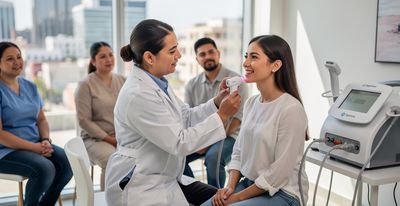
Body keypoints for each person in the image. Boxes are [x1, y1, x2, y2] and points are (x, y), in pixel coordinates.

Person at [105, 19, 241, 206]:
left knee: (223, 201)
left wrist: (217, 103)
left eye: (177, 48)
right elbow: (180, 142)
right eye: (171, 51)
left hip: (165, 178)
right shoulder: (138, 94)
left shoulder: (157, 82)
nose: (179, 55)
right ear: (149, 58)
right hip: (142, 186)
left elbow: (185, 117)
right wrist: (222, 116)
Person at [202, 35, 309, 206]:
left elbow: (279, 174)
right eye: (246, 56)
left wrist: (237, 198)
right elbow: (238, 151)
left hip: (283, 193)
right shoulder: (252, 103)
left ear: (276, 65)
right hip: (250, 184)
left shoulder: (291, 109)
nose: (245, 63)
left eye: (254, 57)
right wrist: (230, 188)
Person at [0, 42, 73, 206]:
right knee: (45, 168)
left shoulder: (30, 86)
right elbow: (1, 135)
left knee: (68, 163)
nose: (17, 62)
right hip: (5, 150)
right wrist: (35, 148)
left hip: (36, 144)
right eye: (10, 59)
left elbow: (41, 119)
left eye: (19, 57)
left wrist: (45, 140)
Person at [184, 37, 249, 188]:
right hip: (201, 135)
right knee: (177, 155)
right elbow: (190, 118)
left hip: (230, 136)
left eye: (211, 52)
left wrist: (206, 143)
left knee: (213, 158)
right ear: (197, 59)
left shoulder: (236, 81)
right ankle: (194, 192)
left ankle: (215, 198)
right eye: (202, 54)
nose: (207, 56)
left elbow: (237, 121)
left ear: (218, 54)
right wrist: (200, 139)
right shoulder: (191, 85)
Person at [75, 41, 125, 191]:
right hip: (93, 139)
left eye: (110, 55)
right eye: (103, 56)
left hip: (120, 136)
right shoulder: (85, 85)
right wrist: (110, 139)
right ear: (93, 61)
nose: (108, 59)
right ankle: (108, 200)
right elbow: (83, 120)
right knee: (113, 158)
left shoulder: (123, 80)